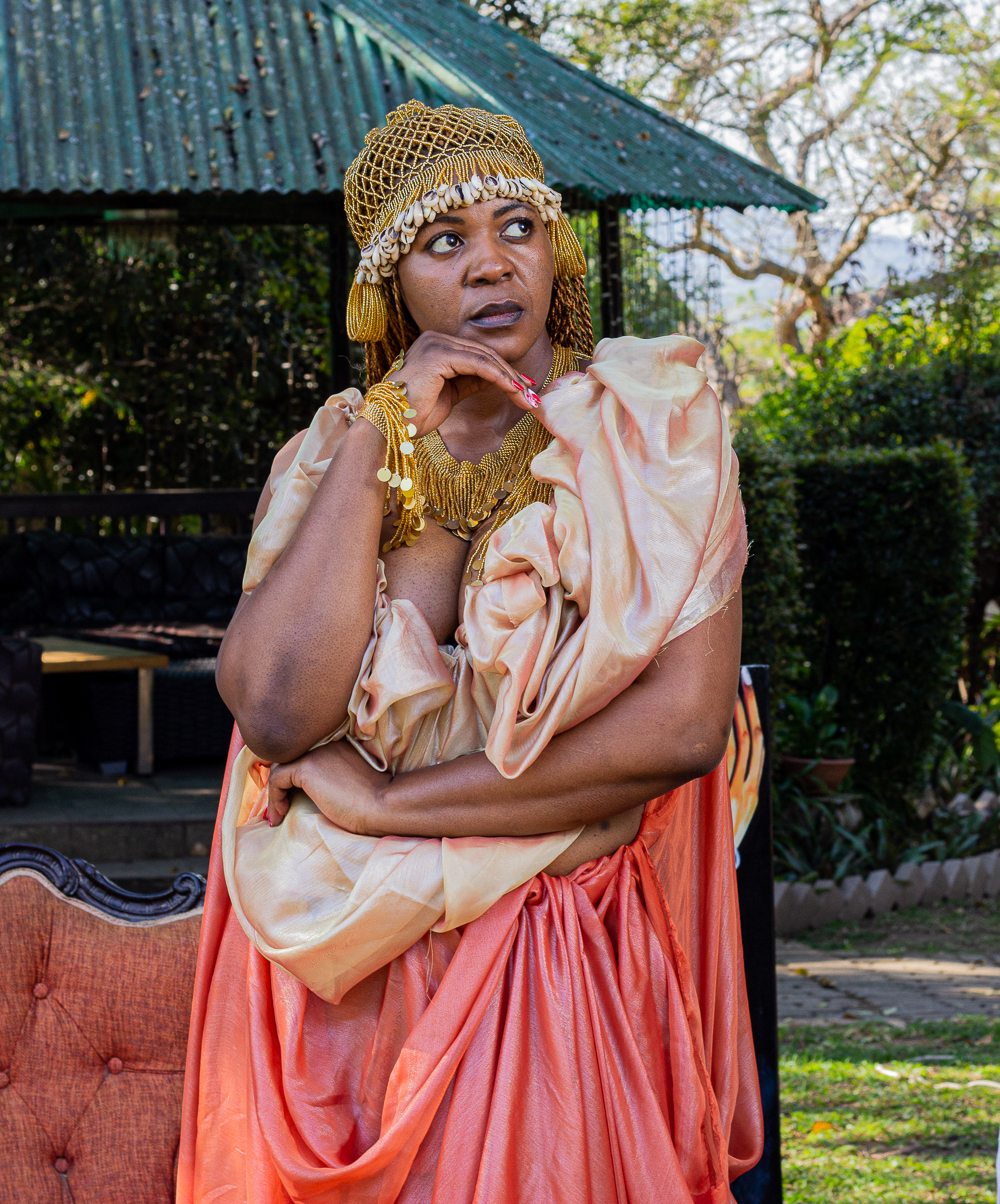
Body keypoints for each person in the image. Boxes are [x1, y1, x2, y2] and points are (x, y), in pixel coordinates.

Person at [177, 100, 762, 1204]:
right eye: (444, 241)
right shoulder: (331, 454)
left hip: (555, 958)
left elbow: (682, 727)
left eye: (517, 227)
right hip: (336, 986)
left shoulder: (650, 436)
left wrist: (383, 804)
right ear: (387, 286)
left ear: (556, 249)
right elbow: (276, 713)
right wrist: (380, 433)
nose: (491, 264)